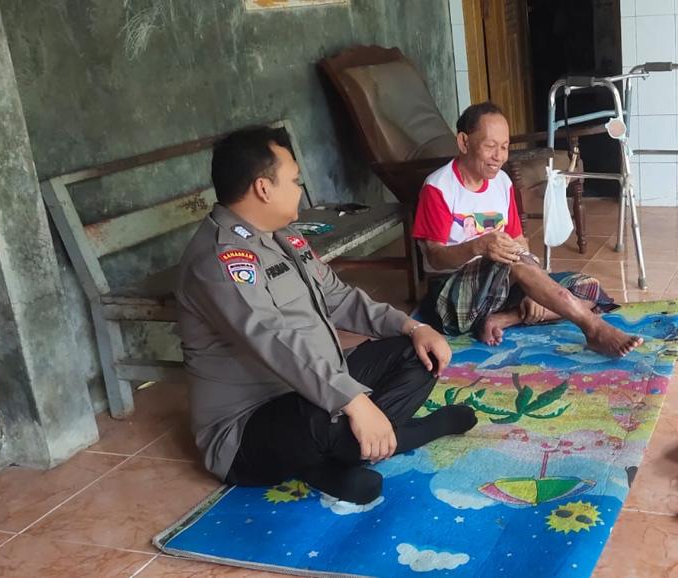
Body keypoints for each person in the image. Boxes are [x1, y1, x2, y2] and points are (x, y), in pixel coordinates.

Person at [175, 126, 476, 505]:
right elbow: (274, 341)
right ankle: (417, 431)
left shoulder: (283, 235)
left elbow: (338, 297)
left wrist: (413, 326)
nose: (300, 189)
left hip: (309, 388)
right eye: (294, 180)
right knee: (329, 415)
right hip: (249, 427)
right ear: (263, 188)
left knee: (416, 354)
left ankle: (331, 458)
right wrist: (353, 401)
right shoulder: (220, 260)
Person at [412, 102, 643, 357]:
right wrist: (477, 247)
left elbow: (518, 240)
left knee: (589, 288)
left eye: (504, 147)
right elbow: (434, 258)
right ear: (464, 142)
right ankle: (594, 329)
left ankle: (503, 319)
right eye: (490, 146)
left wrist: (535, 290)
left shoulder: (502, 182)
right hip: (451, 299)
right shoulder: (439, 187)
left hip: (500, 290)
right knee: (514, 264)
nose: (499, 156)